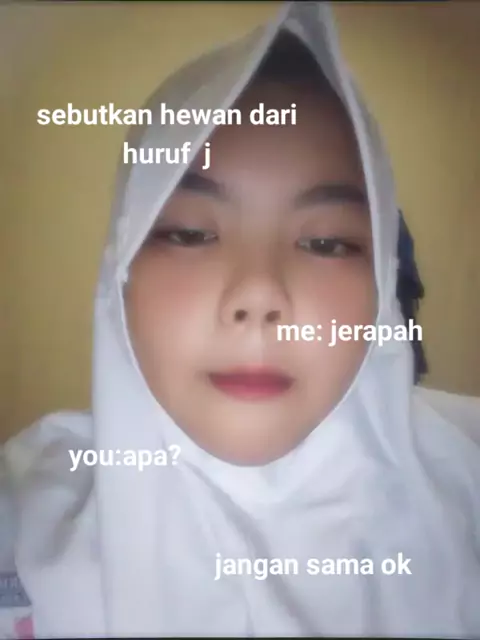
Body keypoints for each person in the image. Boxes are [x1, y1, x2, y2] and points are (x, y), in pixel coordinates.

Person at [1, 2, 480, 637]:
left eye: (326, 243)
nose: (258, 295)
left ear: (383, 284)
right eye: (190, 234)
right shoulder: (27, 510)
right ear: (120, 273)